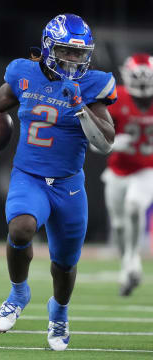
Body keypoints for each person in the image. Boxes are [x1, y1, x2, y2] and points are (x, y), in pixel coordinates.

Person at [0, 14, 116, 351]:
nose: (75, 59)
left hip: (69, 186)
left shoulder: (93, 84)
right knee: (20, 228)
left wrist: (81, 108)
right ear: (49, 48)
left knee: (64, 265)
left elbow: (106, 142)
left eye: (80, 53)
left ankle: (58, 315)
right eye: (67, 51)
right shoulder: (23, 73)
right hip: (29, 176)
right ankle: (19, 292)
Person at [99, 53, 153, 296]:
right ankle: (126, 266)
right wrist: (112, 143)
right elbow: (94, 140)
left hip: (147, 168)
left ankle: (133, 259)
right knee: (119, 225)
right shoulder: (116, 96)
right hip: (118, 169)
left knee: (134, 207)